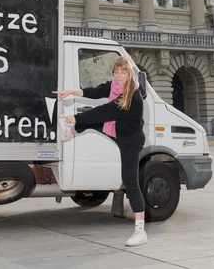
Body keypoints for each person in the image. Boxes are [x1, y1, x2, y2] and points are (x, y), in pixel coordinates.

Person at [54, 56, 147, 247]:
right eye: (117, 72)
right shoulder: (113, 86)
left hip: (131, 141)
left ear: (130, 73)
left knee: (130, 181)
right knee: (95, 122)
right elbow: (95, 92)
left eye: (123, 72)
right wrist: (70, 92)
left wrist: (76, 118)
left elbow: (106, 111)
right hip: (118, 131)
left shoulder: (132, 97)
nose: (120, 76)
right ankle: (70, 132)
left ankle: (140, 231)